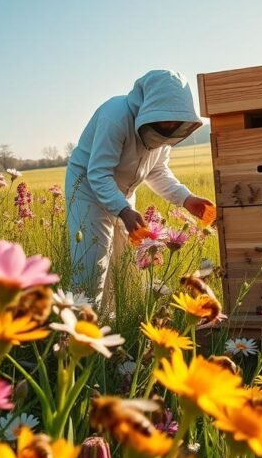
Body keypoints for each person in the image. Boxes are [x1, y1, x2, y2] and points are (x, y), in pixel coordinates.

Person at [66, 70, 212, 309]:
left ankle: (115, 326)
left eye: (175, 122)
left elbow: (157, 171)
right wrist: (123, 210)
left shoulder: (162, 135)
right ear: (150, 107)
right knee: (93, 264)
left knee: (128, 264)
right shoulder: (115, 116)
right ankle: (80, 332)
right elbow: (98, 173)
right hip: (86, 190)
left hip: (122, 195)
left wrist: (187, 199)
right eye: (166, 120)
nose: (170, 127)